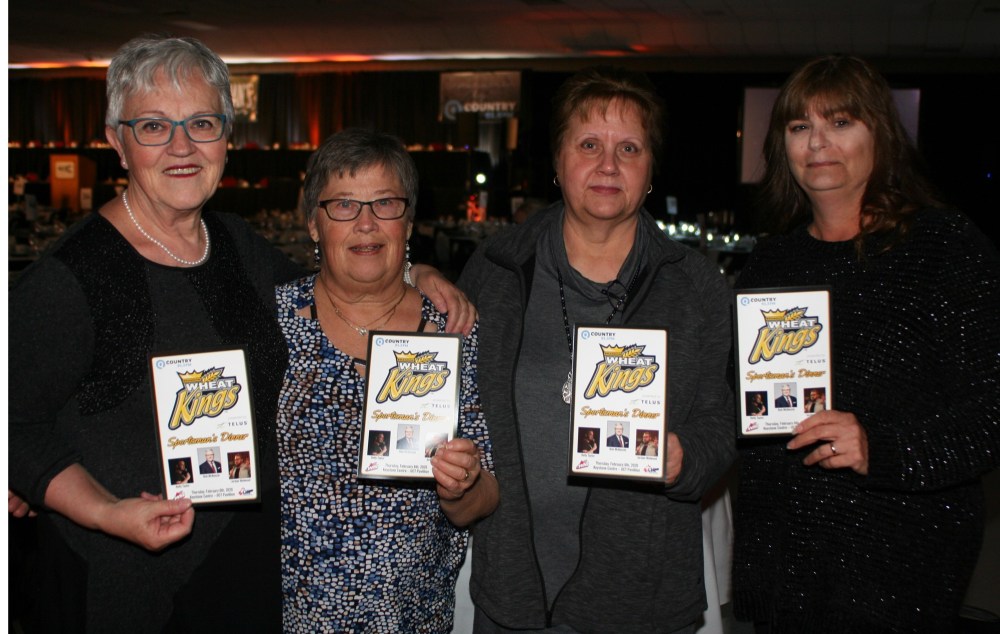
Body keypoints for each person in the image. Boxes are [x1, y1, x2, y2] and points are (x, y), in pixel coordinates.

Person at [6, 35, 474, 633]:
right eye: (153, 126)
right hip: (130, 582)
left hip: (245, 576)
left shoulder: (234, 246)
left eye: (201, 123)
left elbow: (338, 281)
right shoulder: (72, 276)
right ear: (117, 144)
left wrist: (418, 271)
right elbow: (11, 422)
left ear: (227, 137)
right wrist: (102, 510)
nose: (181, 146)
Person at [459, 66, 735, 633]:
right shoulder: (495, 270)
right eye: (589, 144)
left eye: (629, 147)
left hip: (642, 599)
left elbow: (722, 423)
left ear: (650, 169)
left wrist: (687, 459)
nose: (608, 165)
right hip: (514, 589)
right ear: (559, 162)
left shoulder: (696, 285)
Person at [732, 55, 1000, 632]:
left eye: (841, 122)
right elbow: (745, 417)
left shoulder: (945, 248)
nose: (818, 142)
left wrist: (880, 447)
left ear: (880, 131)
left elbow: (989, 416)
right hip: (787, 565)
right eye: (799, 127)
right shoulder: (770, 263)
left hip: (902, 563)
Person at [277, 128, 499, 632]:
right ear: (314, 223)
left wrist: (461, 485)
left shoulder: (455, 330)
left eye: (385, 204)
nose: (366, 223)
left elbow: (485, 496)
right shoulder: (273, 326)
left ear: (409, 222)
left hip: (411, 618)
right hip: (287, 617)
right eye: (343, 206)